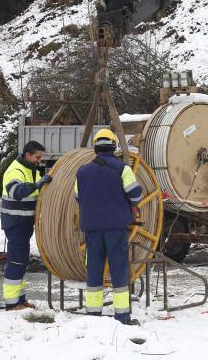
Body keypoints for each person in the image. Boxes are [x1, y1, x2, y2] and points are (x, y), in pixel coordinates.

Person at [75, 129, 142, 325]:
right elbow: (135, 195)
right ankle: (122, 316)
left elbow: (77, 196)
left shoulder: (82, 171)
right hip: (115, 228)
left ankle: (94, 314)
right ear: (114, 147)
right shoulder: (123, 169)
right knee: (119, 269)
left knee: (94, 268)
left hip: (92, 229)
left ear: (95, 147)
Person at [1, 140, 52, 311]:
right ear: (28, 154)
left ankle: (20, 299)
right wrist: (37, 185)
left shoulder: (31, 170)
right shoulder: (15, 170)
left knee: (21, 261)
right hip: (15, 223)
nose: (39, 161)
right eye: (37, 157)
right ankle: (12, 302)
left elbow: (37, 193)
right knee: (16, 261)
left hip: (23, 223)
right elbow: (16, 192)